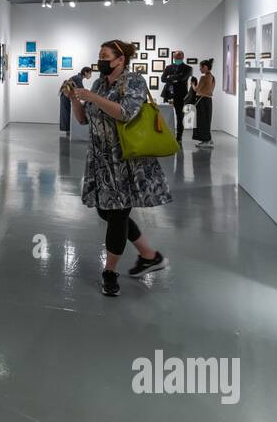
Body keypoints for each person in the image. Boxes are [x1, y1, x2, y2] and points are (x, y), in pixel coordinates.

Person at [70, 40, 172, 297]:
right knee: (107, 213)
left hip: (126, 160)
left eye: (105, 56)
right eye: (99, 55)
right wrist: (74, 99)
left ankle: (109, 273)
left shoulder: (134, 81)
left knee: (116, 216)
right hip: (101, 161)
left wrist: (92, 97)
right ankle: (150, 255)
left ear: (120, 60)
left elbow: (125, 112)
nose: (100, 60)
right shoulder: (98, 84)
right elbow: (84, 119)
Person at [160, 50, 193, 144]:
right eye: (175, 57)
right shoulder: (169, 67)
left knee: (179, 117)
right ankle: (165, 135)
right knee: (165, 115)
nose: (177, 59)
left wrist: (170, 77)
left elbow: (183, 78)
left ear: (183, 57)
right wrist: (176, 77)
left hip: (180, 95)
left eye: (179, 58)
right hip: (168, 95)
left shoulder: (188, 68)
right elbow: (163, 79)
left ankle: (179, 137)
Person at [59, 65, 93, 132]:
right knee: (66, 113)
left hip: (65, 95)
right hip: (65, 95)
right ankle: (66, 129)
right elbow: (82, 90)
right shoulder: (78, 78)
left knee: (66, 112)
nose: (90, 75)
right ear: (85, 73)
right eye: (90, 73)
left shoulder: (78, 77)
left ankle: (66, 129)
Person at [193, 58, 215, 147]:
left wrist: (192, 84)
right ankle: (208, 140)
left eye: (200, 67)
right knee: (207, 120)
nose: (200, 69)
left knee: (201, 121)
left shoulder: (204, 77)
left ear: (205, 67)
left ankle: (206, 141)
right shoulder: (212, 77)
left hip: (202, 100)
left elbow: (197, 89)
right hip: (209, 100)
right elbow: (210, 90)